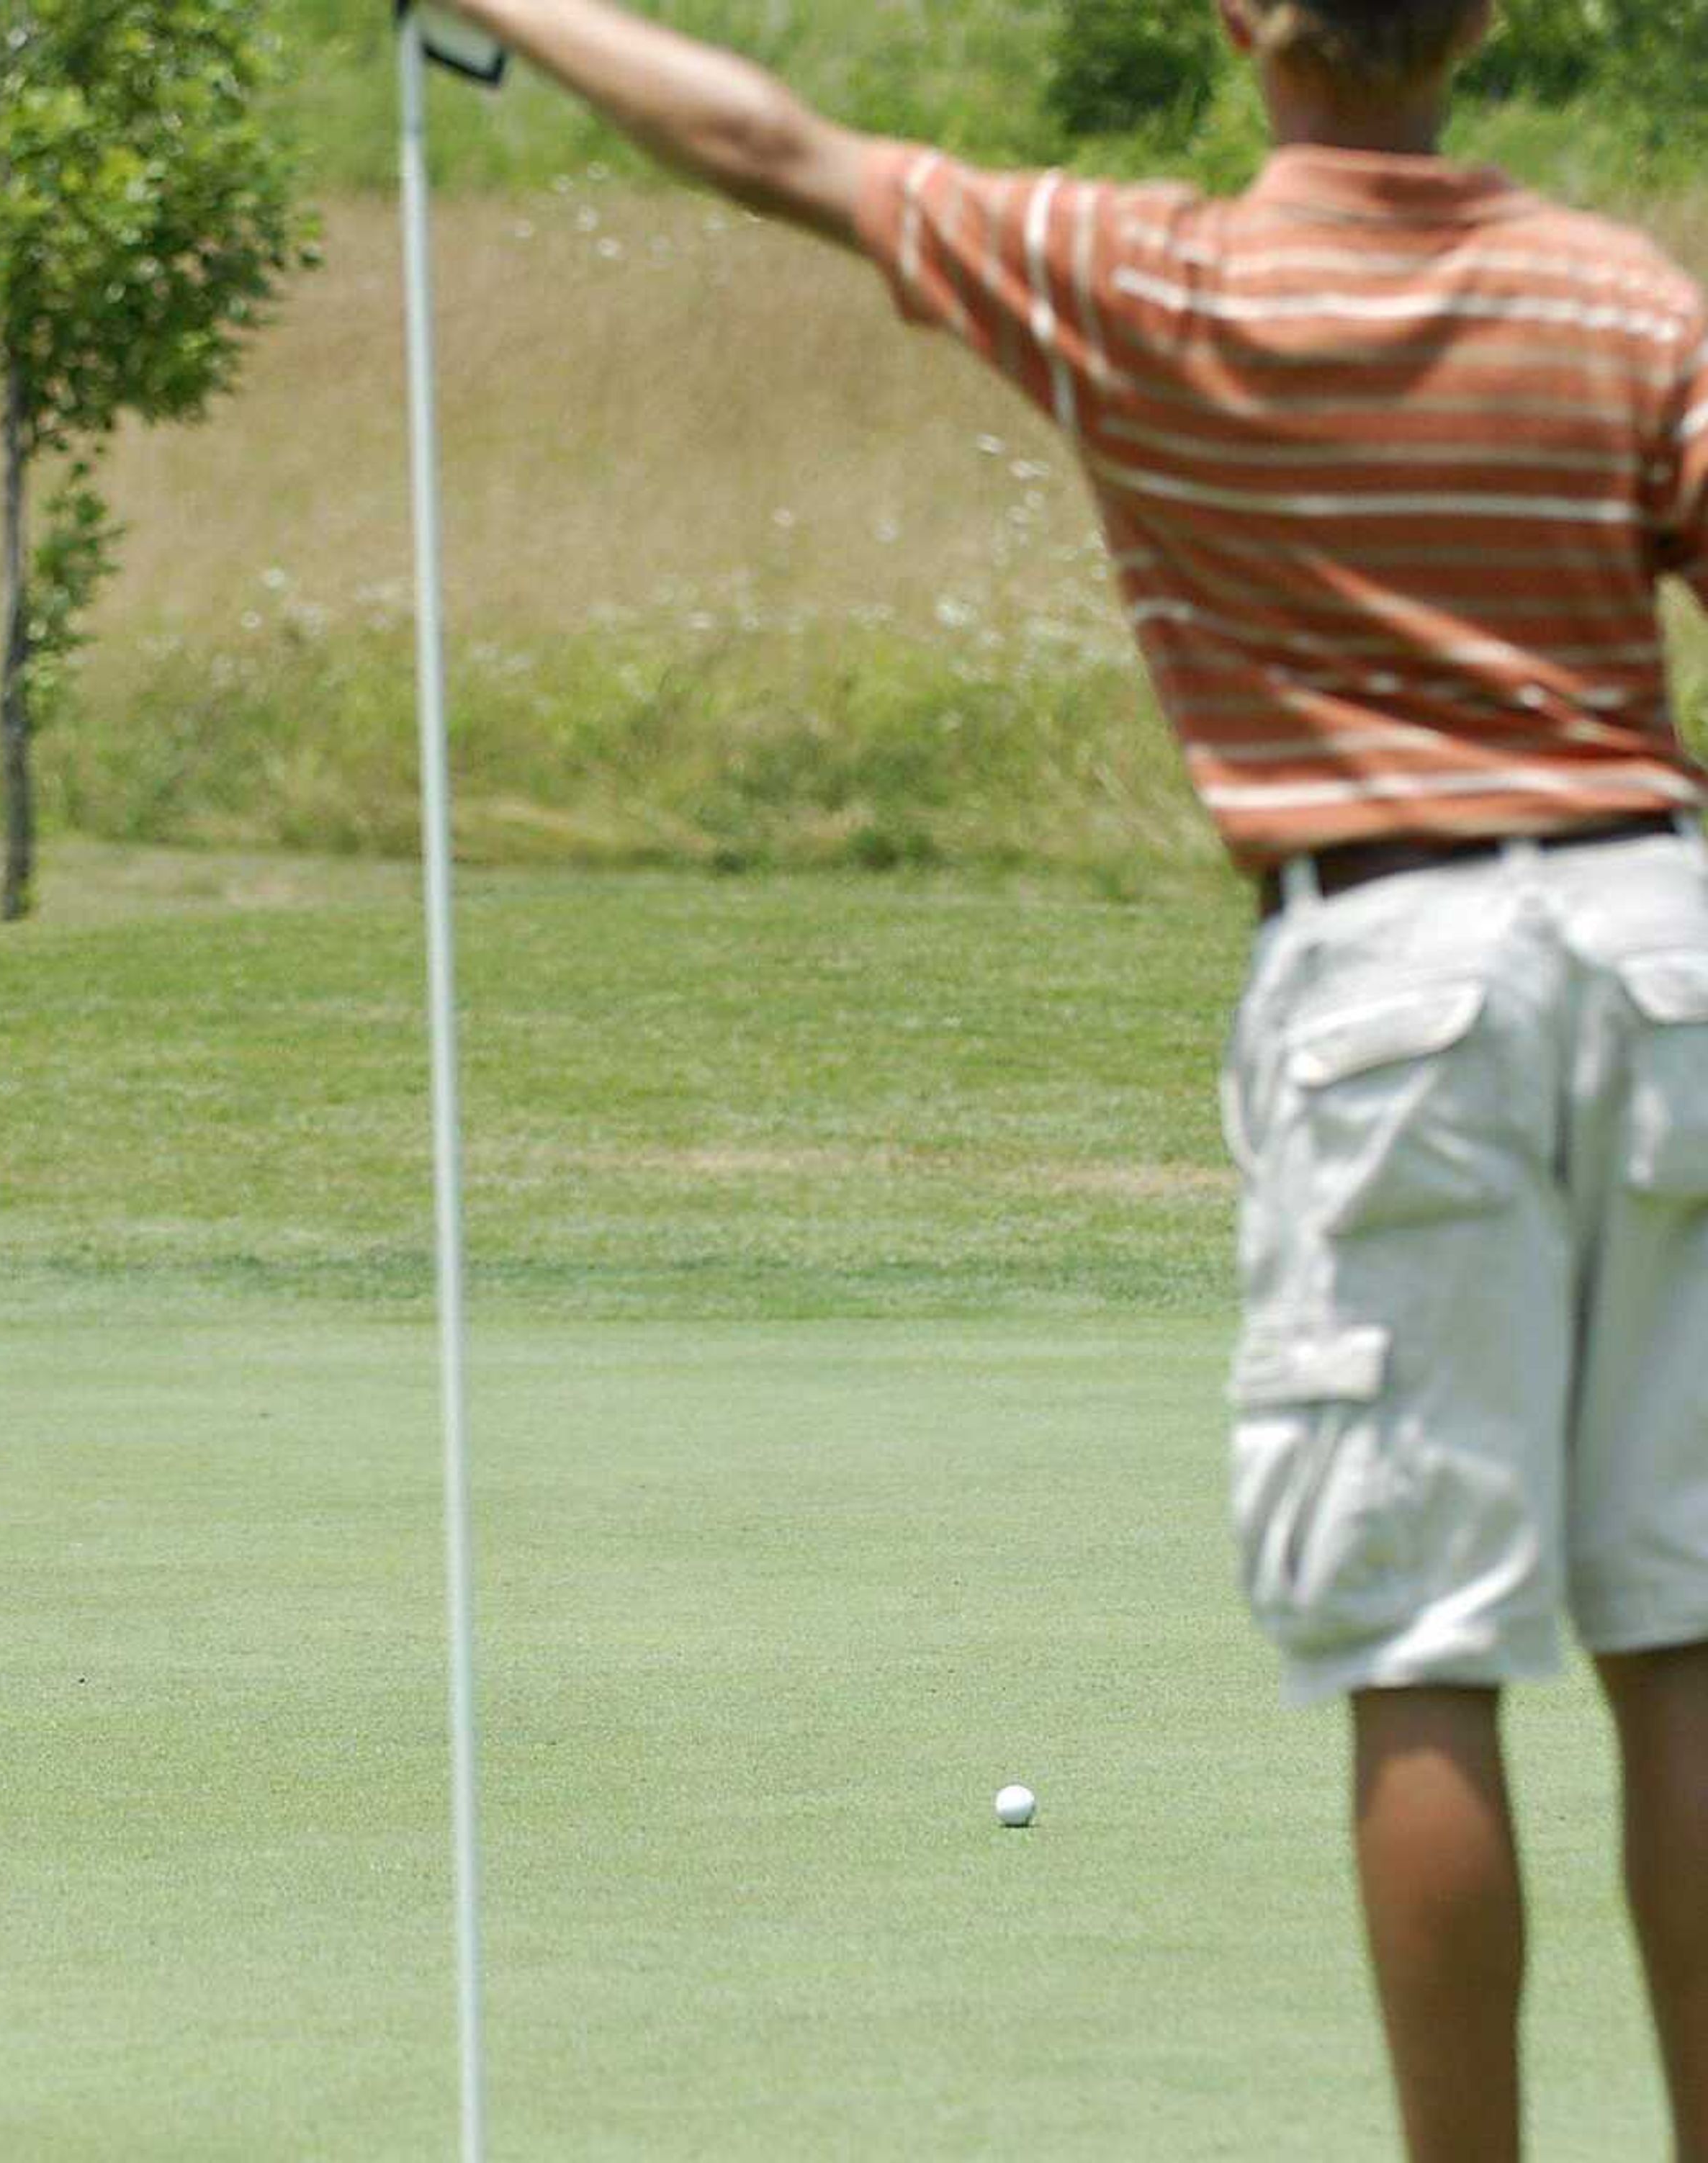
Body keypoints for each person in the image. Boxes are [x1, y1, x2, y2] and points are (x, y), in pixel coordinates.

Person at [432, 0, 1708, 2151]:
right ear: (1481, 24)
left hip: (1392, 967)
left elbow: (770, 146)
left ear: (1240, 23)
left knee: (1423, 1645)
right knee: (1681, 1631)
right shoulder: (1622, 290)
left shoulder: (1142, 272)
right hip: (1665, 938)